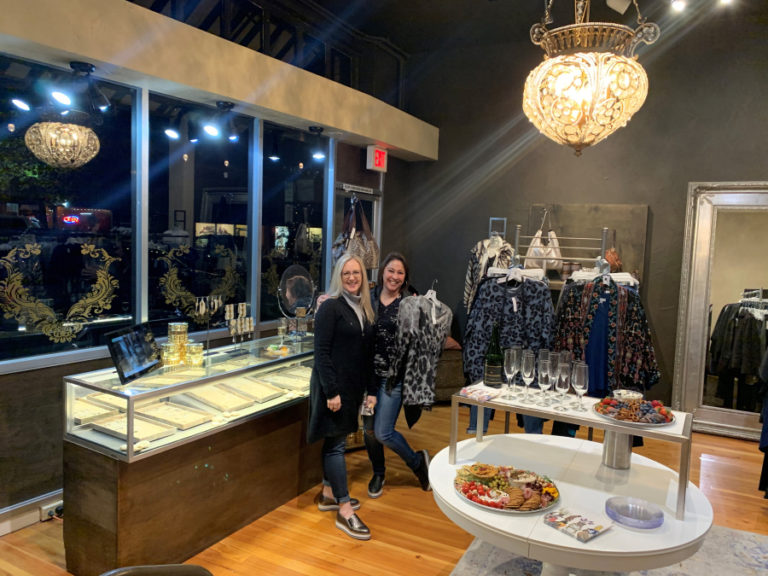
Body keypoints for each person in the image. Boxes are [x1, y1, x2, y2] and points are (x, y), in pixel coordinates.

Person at [307, 253, 377, 540]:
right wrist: (332, 391)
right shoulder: (330, 308)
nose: (351, 278)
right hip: (333, 389)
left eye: (356, 273)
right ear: (339, 276)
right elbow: (321, 353)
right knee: (336, 445)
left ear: (362, 277)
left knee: (339, 439)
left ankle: (327, 494)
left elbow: (366, 355)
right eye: (346, 273)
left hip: (352, 388)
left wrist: (370, 391)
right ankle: (344, 509)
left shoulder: (363, 308)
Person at [363, 252, 431, 499]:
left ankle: (417, 463)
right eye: (391, 270)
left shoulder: (410, 304)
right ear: (383, 271)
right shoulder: (368, 298)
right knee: (368, 432)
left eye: (400, 273)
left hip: (393, 378)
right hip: (368, 377)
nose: (394, 276)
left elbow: (422, 340)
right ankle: (379, 472)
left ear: (405, 278)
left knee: (383, 432)